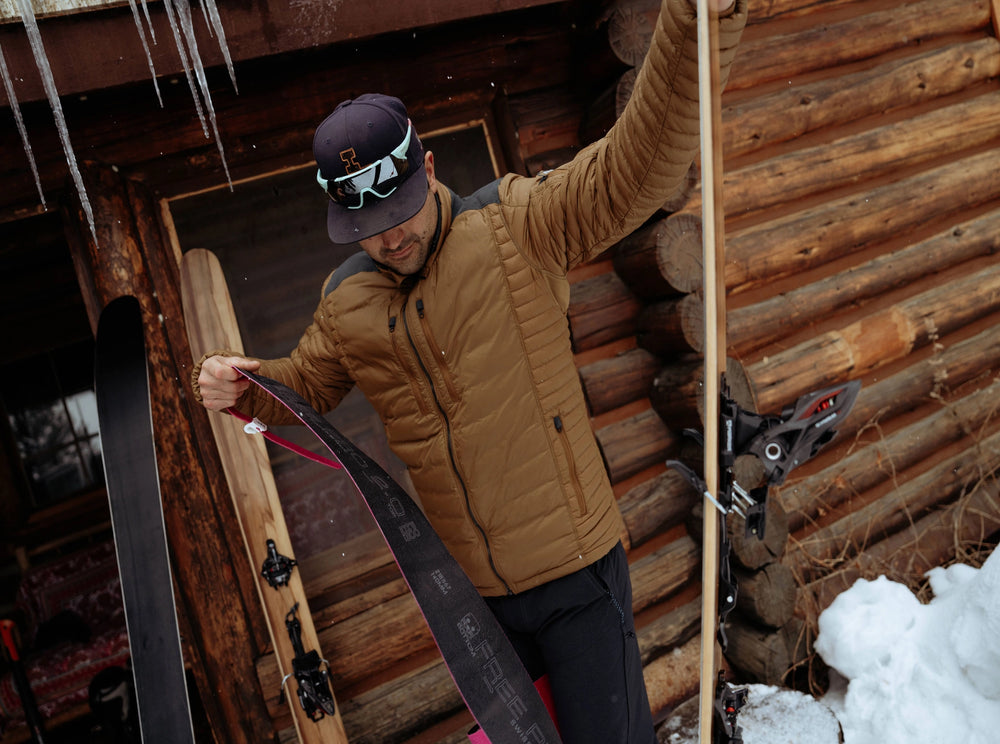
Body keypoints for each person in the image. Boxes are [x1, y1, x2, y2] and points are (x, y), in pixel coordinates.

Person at [192, 0, 746, 741]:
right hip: (479, 606)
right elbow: (306, 393)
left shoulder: (518, 226)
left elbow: (636, 168)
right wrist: (243, 383)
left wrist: (693, 21)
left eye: (401, 210)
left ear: (426, 166)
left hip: (576, 577)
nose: (389, 239)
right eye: (366, 226)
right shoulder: (346, 303)